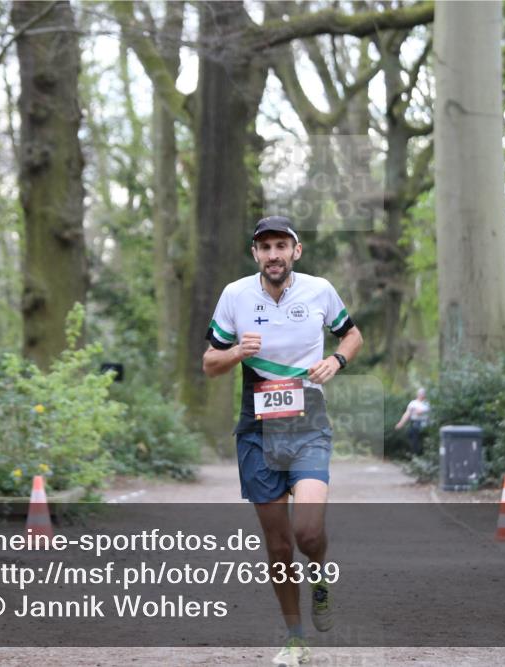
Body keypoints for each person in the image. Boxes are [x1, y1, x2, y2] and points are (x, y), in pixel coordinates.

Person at [202, 215, 363, 667]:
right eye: (265, 247)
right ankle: (295, 638)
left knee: (308, 533)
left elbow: (352, 334)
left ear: (296, 251)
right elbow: (209, 362)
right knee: (277, 546)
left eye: (281, 246)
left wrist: (336, 360)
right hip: (256, 429)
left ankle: (320, 573)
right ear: (255, 254)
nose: (273, 255)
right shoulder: (235, 295)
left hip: (307, 424)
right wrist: (237, 351)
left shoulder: (319, 290)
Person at [394, 387, 430, 456]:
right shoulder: (413, 403)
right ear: (417, 394)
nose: (422, 395)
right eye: (420, 393)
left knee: (424, 441)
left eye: (423, 394)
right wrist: (401, 423)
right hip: (415, 424)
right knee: (414, 440)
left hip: (426, 424)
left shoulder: (427, 404)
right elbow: (407, 414)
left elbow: (423, 412)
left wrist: (419, 411)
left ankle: (423, 456)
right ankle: (415, 456)